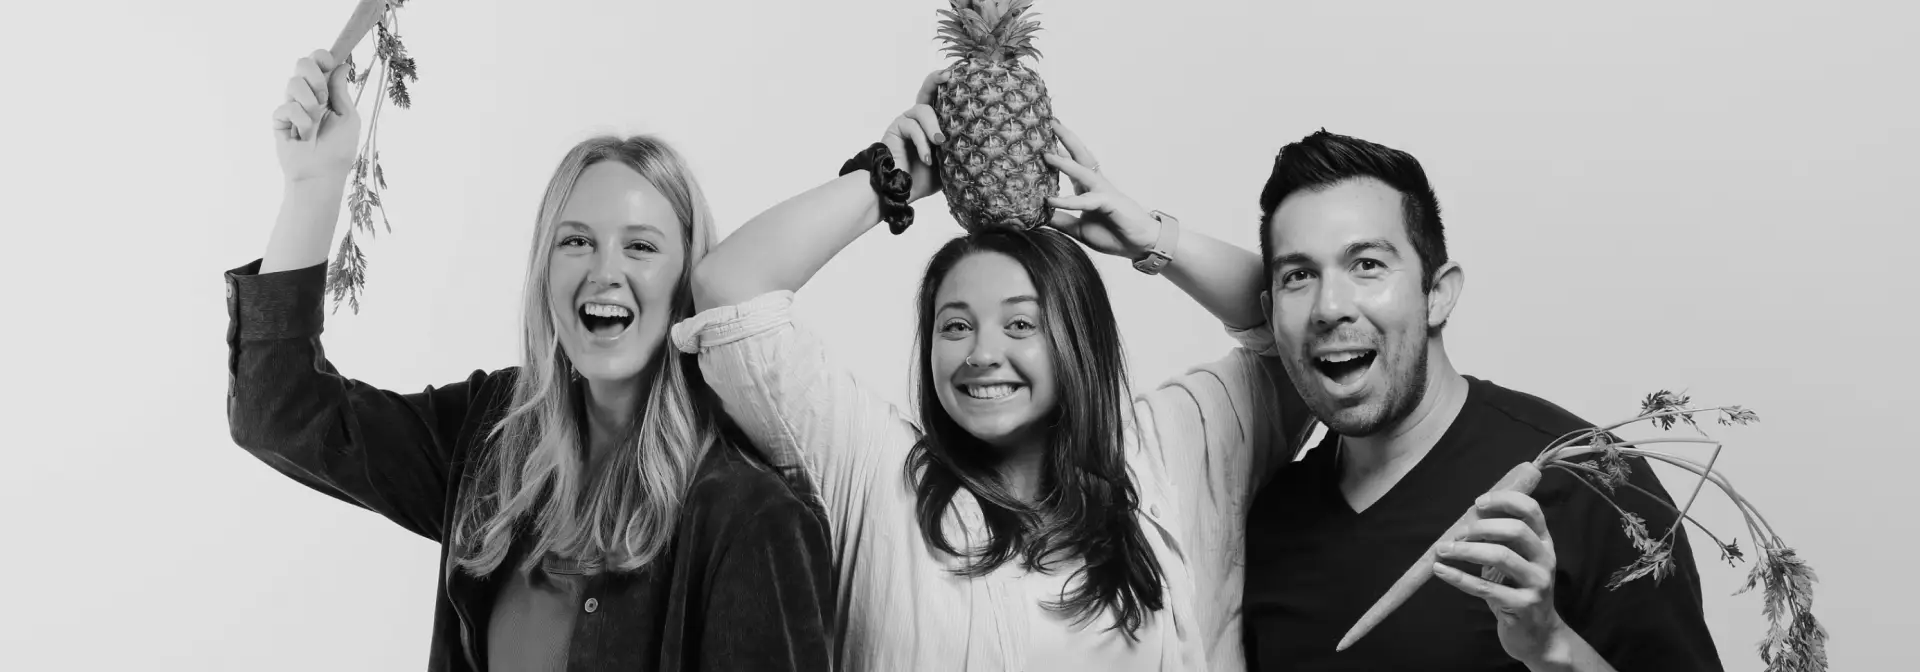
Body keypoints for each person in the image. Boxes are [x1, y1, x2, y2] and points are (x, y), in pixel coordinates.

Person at [673, 71, 1310, 671]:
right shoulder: (873, 474)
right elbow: (731, 286)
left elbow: (1303, 333)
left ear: (1077, 337)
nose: (981, 353)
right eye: (955, 325)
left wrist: (1149, 238)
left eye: (1020, 324)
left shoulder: (1165, 456)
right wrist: (887, 183)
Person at [225, 49, 835, 672]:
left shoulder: (748, 517)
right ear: (545, 270)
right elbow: (279, 412)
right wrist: (313, 184)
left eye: (641, 246)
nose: (605, 272)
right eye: (576, 241)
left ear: (685, 280)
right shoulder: (493, 434)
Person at [1238, 129, 1724, 671]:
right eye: (1298, 276)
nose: (1329, 307)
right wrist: (1152, 238)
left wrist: (1551, 646)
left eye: (1368, 264)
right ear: (1269, 313)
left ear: (1438, 294)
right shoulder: (1271, 518)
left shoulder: (1595, 484)